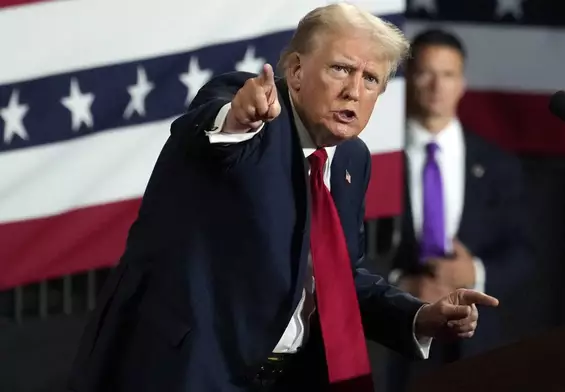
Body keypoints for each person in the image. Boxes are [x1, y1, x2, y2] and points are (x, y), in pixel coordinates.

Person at [66, 5, 499, 392]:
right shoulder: (249, 115)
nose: (354, 91)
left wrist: (419, 316)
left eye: (371, 79)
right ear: (294, 72)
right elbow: (211, 130)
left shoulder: (352, 159)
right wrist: (238, 118)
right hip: (187, 372)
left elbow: (340, 278)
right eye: (341, 69)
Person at [384, 28, 531, 390]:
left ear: (461, 83)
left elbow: (523, 253)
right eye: (425, 73)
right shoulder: (375, 158)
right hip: (394, 339)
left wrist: (473, 273)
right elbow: (351, 247)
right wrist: (400, 284)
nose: (437, 86)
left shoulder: (497, 165)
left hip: (475, 343)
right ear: (408, 78)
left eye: (447, 75)